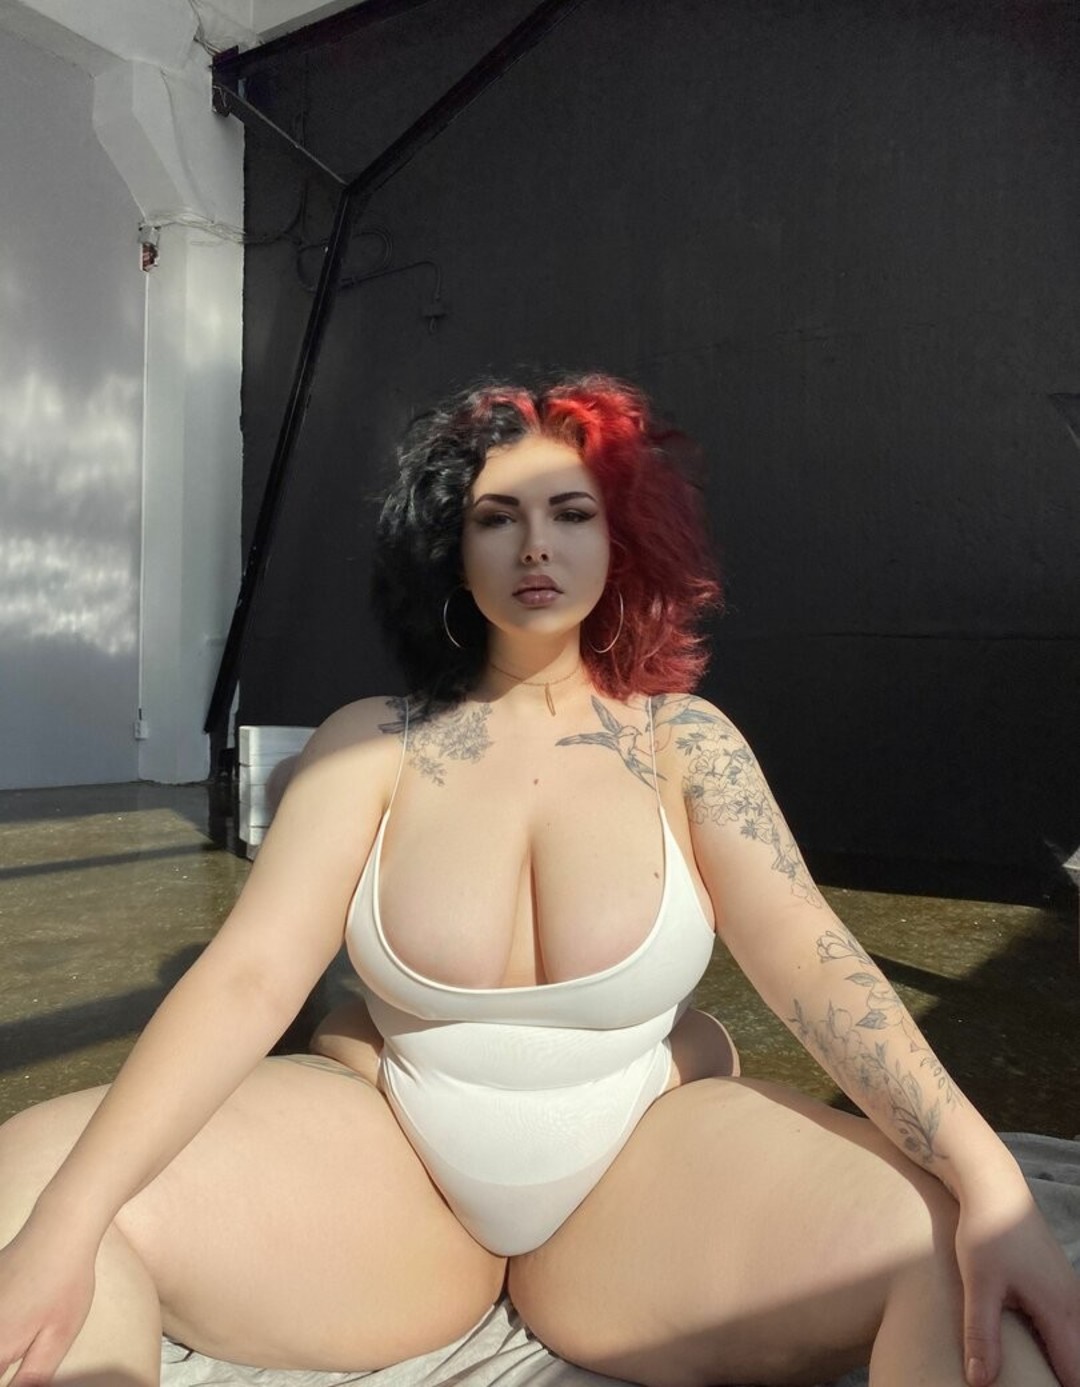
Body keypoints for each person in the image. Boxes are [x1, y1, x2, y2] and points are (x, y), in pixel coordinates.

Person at [0, 374, 1077, 1387]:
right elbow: (247, 977)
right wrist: (69, 1220)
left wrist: (988, 1180)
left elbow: (813, 962)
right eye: (495, 516)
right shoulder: (368, 744)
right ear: (448, 545)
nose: (535, 545)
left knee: (955, 1252)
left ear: (622, 537)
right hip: (391, 1187)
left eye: (570, 512)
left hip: (640, 1188)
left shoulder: (685, 744)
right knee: (36, 1181)